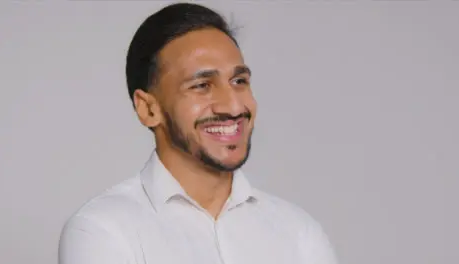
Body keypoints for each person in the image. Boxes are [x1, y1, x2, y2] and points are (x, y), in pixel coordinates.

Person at [58, 3, 338, 264]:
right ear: (148, 109)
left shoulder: (299, 232)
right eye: (202, 85)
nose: (233, 106)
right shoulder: (101, 229)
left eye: (239, 81)